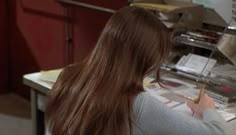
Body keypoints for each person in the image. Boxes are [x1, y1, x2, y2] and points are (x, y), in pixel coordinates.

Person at [45, 6, 227, 135]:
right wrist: (208, 109)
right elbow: (217, 133)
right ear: (144, 59)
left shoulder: (68, 77)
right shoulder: (137, 103)